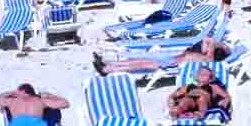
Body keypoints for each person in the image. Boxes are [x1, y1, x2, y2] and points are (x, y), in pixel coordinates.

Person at [93, 37, 230, 76]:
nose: (205, 44)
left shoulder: (207, 59)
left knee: (140, 64)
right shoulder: (203, 54)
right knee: (139, 60)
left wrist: (214, 45)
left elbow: (211, 43)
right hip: (172, 60)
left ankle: (108, 70)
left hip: (172, 66)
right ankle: (107, 63)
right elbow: (208, 39)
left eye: (208, 47)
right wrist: (216, 45)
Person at [167, 66, 231, 120]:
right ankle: (177, 113)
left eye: (205, 74)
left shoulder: (213, 87)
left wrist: (225, 101)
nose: (202, 75)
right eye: (200, 73)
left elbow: (226, 96)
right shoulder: (189, 86)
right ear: (197, 76)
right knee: (185, 101)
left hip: (203, 102)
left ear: (210, 79)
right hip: (189, 100)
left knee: (201, 99)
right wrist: (171, 99)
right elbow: (174, 95)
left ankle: (199, 114)